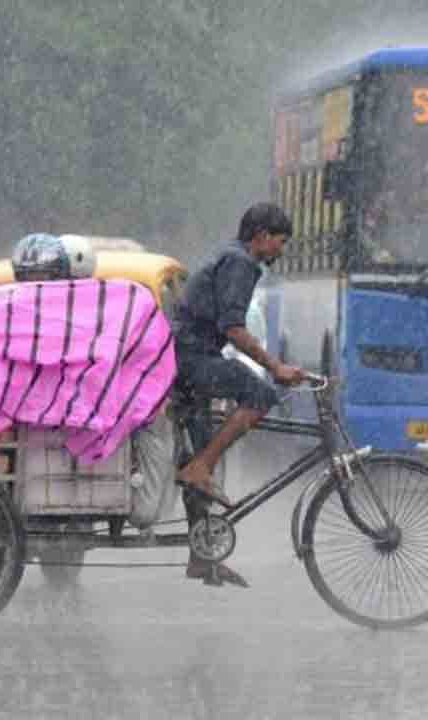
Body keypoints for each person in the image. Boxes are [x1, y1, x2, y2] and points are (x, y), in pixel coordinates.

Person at [171, 202, 306, 587]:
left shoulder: (229, 256)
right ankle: (199, 468)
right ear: (261, 237)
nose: (280, 250)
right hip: (192, 358)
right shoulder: (242, 264)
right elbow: (233, 328)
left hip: (185, 356)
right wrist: (276, 367)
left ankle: (202, 557)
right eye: (280, 242)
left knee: (200, 457)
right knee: (261, 395)